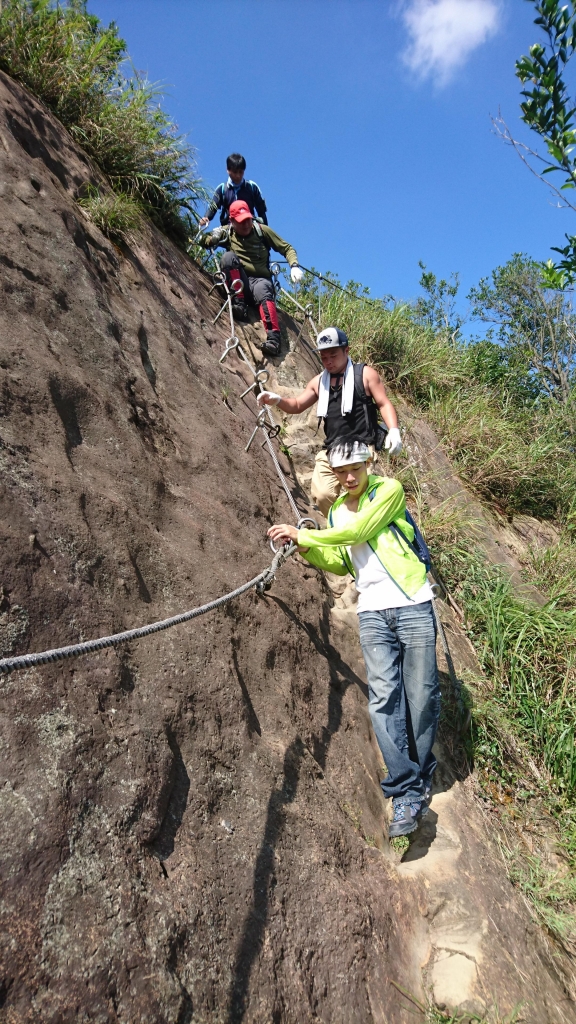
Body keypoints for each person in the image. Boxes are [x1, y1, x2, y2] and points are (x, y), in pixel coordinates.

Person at [268, 439, 440, 839]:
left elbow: (361, 530)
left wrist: (309, 535)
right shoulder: (335, 514)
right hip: (373, 611)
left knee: (422, 697)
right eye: (341, 472)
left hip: (412, 602)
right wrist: (303, 546)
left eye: (355, 469)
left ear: (368, 463)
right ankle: (405, 791)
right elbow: (341, 561)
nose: (349, 478)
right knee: (383, 699)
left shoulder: (388, 491)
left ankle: (421, 771)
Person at [257, 327, 402, 515]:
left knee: (361, 497)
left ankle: (358, 527)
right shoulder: (319, 382)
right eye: (324, 357)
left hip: (361, 446)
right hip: (332, 449)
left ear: (346, 350)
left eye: (333, 355)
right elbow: (297, 405)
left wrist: (394, 430)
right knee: (322, 495)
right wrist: (277, 400)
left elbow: (383, 403)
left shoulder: (365, 375)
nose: (328, 361)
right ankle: (338, 523)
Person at [196, 199, 303, 357]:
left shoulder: (262, 231)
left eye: (248, 219)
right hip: (240, 282)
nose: (246, 224)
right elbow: (202, 240)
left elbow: (287, 248)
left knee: (263, 288)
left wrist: (294, 265)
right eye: (241, 221)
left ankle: (274, 340)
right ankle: (239, 305)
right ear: (232, 221)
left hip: (260, 281)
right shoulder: (228, 232)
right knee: (228, 257)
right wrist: (213, 237)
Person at [199, 153, 267, 227]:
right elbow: (213, 208)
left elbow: (261, 211)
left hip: (249, 226)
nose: (238, 175)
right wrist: (206, 217)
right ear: (228, 170)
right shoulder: (222, 189)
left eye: (241, 172)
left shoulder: (252, 187)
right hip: (230, 227)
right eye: (235, 172)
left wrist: (265, 229)